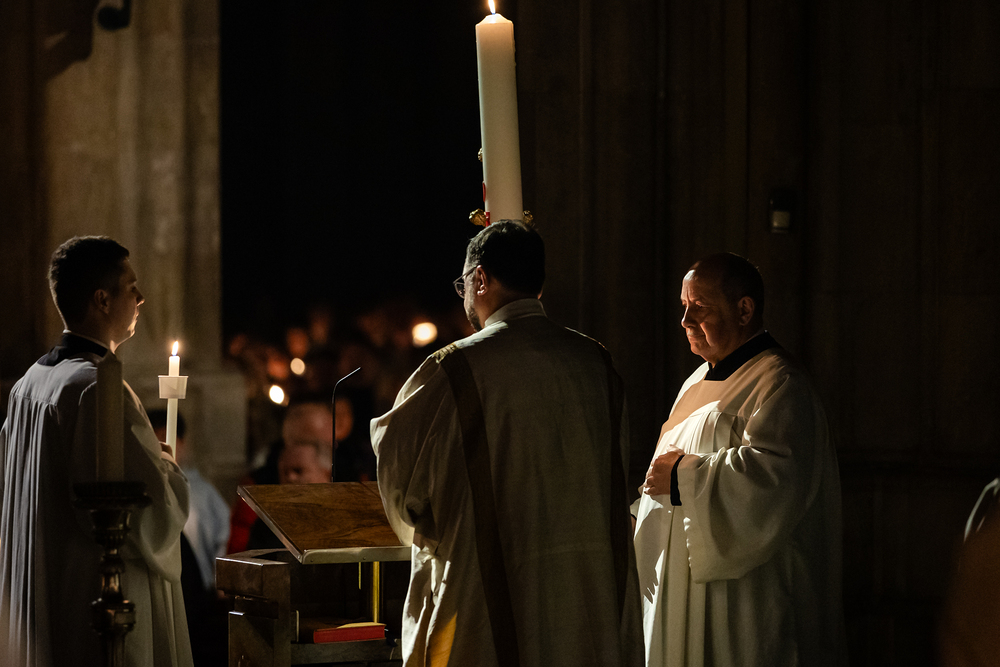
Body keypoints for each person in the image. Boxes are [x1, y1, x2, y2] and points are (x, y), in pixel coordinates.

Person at [371, 221, 643, 667]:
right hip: (584, 587)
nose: (464, 295)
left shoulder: (455, 368)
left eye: (463, 283)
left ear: (480, 278)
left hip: (491, 585)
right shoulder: (596, 361)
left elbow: (400, 477)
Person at [632, 252, 845, 666]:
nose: (685, 320)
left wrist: (683, 477)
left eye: (700, 307)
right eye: (683, 306)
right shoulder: (694, 383)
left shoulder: (779, 383)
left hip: (742, 602)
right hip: (679, 592)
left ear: (744, 310)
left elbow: (775, 481)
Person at [0, 236, 193, 667]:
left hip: (46, 590)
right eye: (131, 287)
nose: (141, 299)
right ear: (102, 300)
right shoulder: (97, 388)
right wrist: (167, 466)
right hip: (95, 597)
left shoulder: (29, 383)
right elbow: (151, 518)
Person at [228, 399, 334, 553]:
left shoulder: (349, 477)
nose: (290, 478)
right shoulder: (258, 491)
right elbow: (239, 552)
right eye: (310, 439)